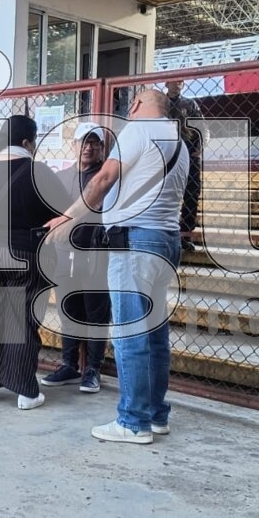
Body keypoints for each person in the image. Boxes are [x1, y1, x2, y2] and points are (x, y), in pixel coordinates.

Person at [46, 88, 188, 444]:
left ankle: (132, 421)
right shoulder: (179, 143)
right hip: (165, 242)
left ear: (137, 105)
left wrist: (67, 218)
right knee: (155, 334)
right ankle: (156, 414)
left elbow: (104, 178)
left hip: (134, 244)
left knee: (129, 333)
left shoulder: (138, 130)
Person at [0, 115, 71, 411]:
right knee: (21, 319)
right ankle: (24, 390)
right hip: (24, 253)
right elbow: (64, 210)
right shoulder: (38, 171)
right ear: (27, 142)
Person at [40, 122, 110, 394]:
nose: (88, 147)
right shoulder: (63, 176)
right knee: (68, 310)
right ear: (74, 145)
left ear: (102, 148)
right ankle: (69, 364)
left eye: (94, 143)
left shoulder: (107, 177)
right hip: (63, 255)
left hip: (94, 256)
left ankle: (92, 369)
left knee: (95, 314)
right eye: (84, 142)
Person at [166, 79, 204, 252]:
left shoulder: (190, 104)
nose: (178, 84)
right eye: (174, 81)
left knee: (191, 193)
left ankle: (186, 235)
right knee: (167, 193)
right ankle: (167, 232)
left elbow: (202, 127)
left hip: (188, 152)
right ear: (166, 83)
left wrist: (200, 147)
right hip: (167, 154)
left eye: (181, 81)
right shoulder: (161, 104)